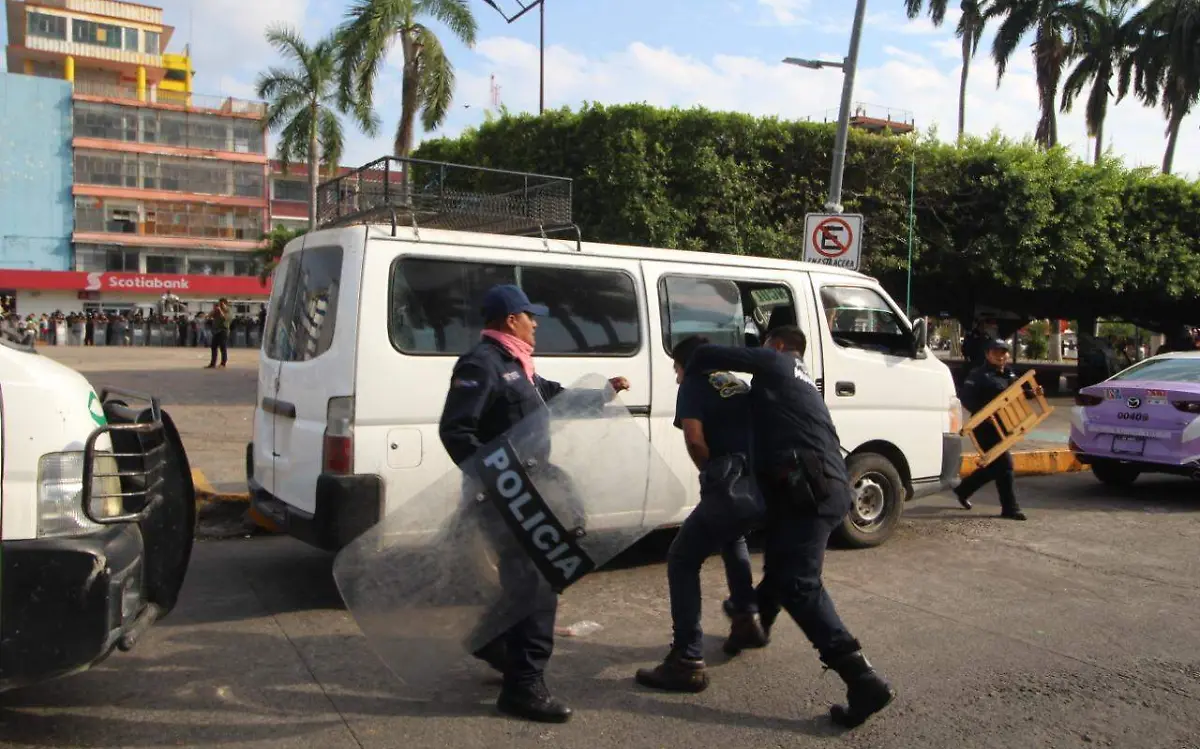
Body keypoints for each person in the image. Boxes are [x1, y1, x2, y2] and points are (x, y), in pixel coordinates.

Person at [438, 283, 630, 724]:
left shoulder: (517, 365)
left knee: (524, 580)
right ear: (510, 320)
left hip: (527, 489)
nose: (536, 324)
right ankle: (524, 686)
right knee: (540, 582)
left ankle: (493, 641)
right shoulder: (481, 364)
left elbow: (554, 397)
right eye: (530, 316)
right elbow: (456, 431)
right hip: (503, 495)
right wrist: (498, 477)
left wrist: (602, 394)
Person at [687, 325, 895, 729]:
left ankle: (862, 678)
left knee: (800, 584)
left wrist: (692, 364)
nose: (760, 354)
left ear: (778, 346)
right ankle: (752, 623)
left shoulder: (779, 362)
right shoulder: (802, 382)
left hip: (809, 491)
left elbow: (707, 356)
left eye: (765, 346)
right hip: (822, 486)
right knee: (783, 569)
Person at [635, 335, 768, 693]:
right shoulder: (736, 383)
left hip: (730, 485)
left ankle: (687, 659)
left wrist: (711, 474)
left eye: (676, 369)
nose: (677, 377)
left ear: (687, 364)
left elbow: (694, 438)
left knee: (681, 558)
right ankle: (746, 617)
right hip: (758, 486)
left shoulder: (694, 384)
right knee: (732, 536)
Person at [955, 339, 1040, 521]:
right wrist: (987, 412)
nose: (1000, 356)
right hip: (984, 428)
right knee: (1006, 466)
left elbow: (1019, 394)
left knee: (996, 468)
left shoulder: (1009, 375)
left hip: (1005, 426)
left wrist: (1034, 393)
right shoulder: (978, 375)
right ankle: (1010, 508)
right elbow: (966, 398)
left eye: (1003, 352)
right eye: (996, 352)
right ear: (987, 354)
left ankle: (963, 489)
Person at [206, 300, 230, 369]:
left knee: (223, 347)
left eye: (222, 304)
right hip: (216, 331)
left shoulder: (228, 311)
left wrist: (220, 310)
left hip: (223, 331)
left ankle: (223, 363)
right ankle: (212, 363)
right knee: (213, 347)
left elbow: (224, 318)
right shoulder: (216, 312)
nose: (220, 306)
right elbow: (208, 316)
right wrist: (214, 310)